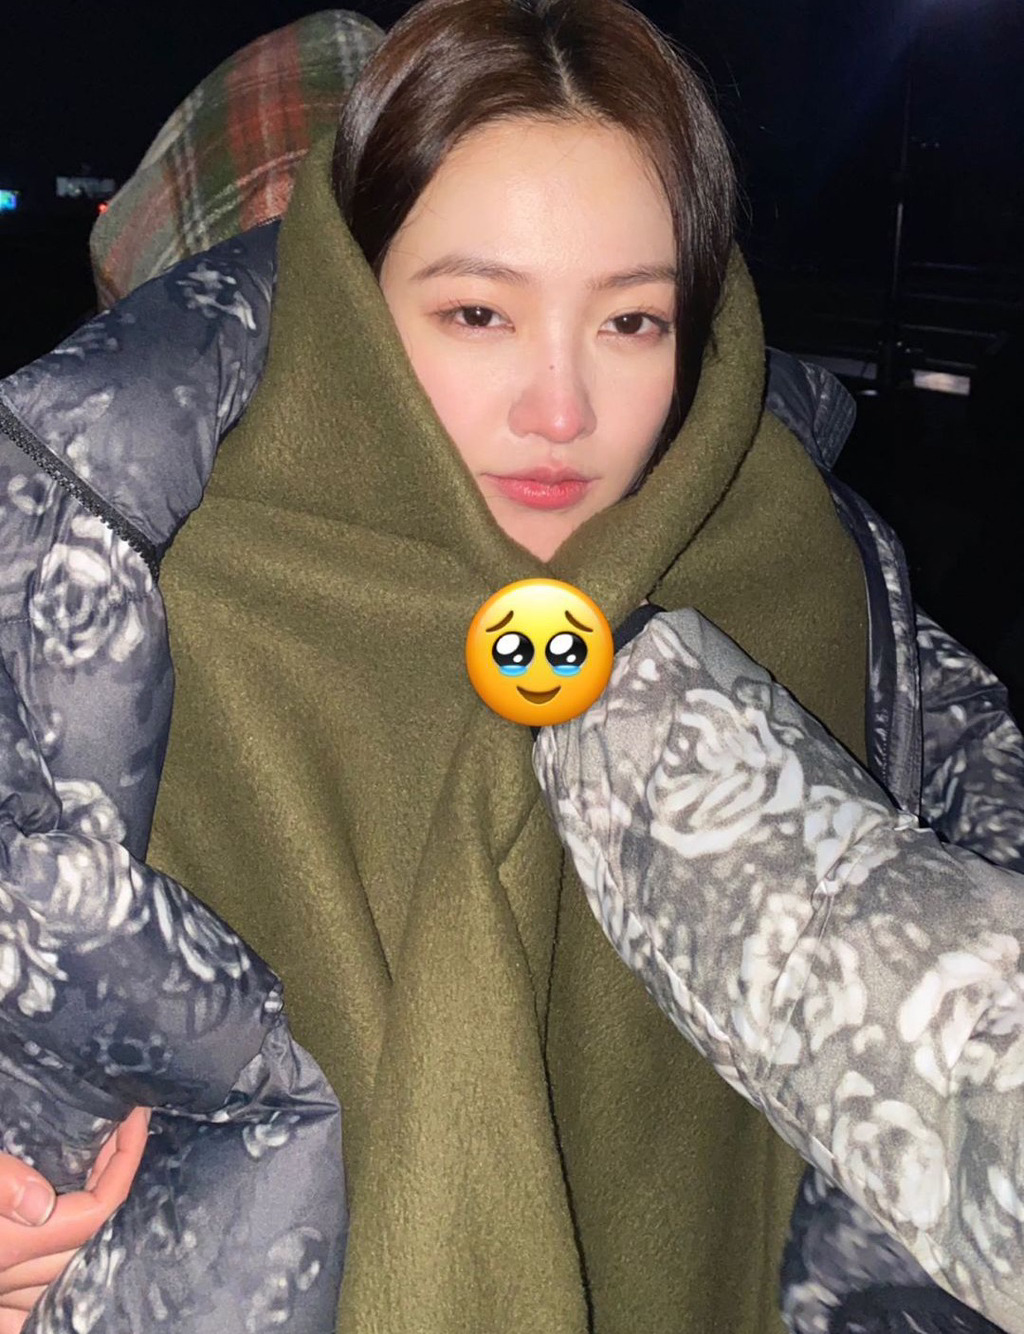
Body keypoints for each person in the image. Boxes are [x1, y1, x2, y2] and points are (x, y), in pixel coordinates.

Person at [0, 0, 1022, 1330]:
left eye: (633, 321)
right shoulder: (146, 606)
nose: (561, 409)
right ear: (346, 304)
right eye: (479, 312)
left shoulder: (818, 591)